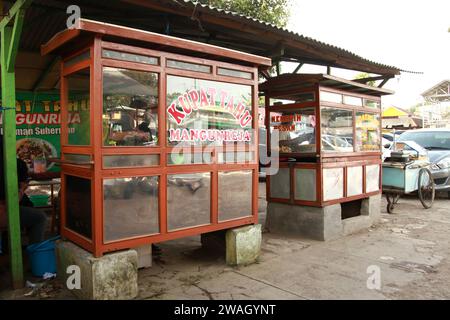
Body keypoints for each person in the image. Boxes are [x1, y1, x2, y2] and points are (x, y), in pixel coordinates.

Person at [0, 135, 47, 245]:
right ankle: (34, 252)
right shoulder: (17, 163)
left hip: (8, 206)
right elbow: (21, 188)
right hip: (7, 208)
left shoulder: (18, 163)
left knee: (27, 205)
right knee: (40, 217)